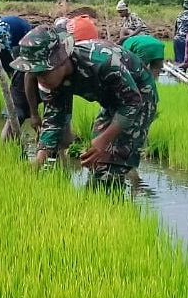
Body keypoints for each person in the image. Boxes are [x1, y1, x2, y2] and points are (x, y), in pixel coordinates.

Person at [11, 25, 158, 189]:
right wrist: (39, 160)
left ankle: (110, 203)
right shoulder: (51, 80)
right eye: (35, 74)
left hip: (140, 96)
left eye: (44, 72)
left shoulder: (103, 62)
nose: (40, 80)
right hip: (111, 101)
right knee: (97, 159)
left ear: (61, 59)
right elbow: (53, 119)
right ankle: (103, 198)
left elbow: (132, 102)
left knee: (110, 163)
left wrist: (104, 140)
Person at [0, 15, 33, 141]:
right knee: (16, 76)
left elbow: (9, 61)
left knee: (16, 73)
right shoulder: (28, 32)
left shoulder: (21, 30)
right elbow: (18, 56)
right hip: (3, 39)